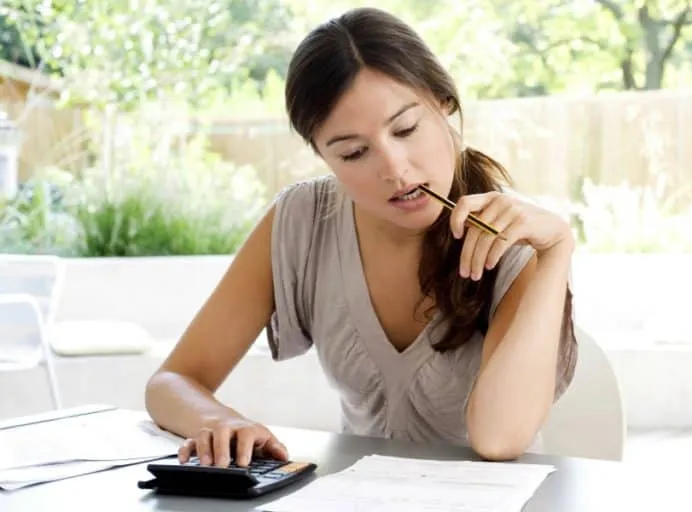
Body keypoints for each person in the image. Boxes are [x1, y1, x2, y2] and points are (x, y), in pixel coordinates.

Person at [144, 6, 579, 467]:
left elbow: (499, 440)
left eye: (406, 129)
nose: (394, 169)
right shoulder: (302, 219)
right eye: (354, 153)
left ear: (443, 101)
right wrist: (217, 421)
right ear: (322, 156)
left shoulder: (511, 240)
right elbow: (172, 381)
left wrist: (557, 251)